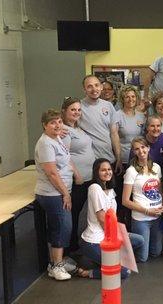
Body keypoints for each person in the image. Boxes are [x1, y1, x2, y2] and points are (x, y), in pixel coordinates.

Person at [35, 109, 82, 280]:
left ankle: (57, 261)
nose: (57, 125)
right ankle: (56, 266)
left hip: (60, 191)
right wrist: (65, 194)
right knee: (61, 227)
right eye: (52, 122)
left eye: (59, 121)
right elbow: (52, 173)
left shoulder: (56, 138)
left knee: (62, 226)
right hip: (52, 193)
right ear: (44, 125)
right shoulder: (45, 144)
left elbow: (65, 159)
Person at [77, 158, 144, 279]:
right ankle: (89, 272)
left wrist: (120, 234)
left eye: (109, 169)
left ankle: (104, 260)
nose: (107, 172)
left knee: (139, 240)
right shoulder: (94, 188)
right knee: (124, 272)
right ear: (96, 172)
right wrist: (116, 239)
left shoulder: (111, 190)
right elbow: (102, 219)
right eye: (103, 170)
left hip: (109, 235)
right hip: (94, 241)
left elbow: (114, 217)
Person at [61, 97, 95, 254]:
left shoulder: (78, 128)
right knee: (73, 214)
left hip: (89, 177)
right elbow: (64, 156)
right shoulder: (65, 131)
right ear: (64, 111)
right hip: (78, 180)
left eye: (79, 110)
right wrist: (76, 174)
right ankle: (69, 247)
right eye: (72, 109)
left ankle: (77, 243)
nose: (76, 112)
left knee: (81, 212)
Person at [122, 137, 163, 263]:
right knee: (142, 258)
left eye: (143, 147)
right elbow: (125, 201)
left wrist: (161, 206)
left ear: (148, 148)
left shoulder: (156, 167)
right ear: (133, 152)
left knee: (156, 253)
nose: (141, 151)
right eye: (136, 149)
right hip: (142, 218)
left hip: (157, 216)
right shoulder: (131, 171)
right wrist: (147, 211)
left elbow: (159, 190)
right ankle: (122, 246)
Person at [79, 75, 121, 173]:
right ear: (84, 89)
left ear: (101, 87)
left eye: (96, 85)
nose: (94, 89)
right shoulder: (79, 107)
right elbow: (67, 123)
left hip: (109, 160)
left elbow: (114, 134)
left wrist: (118, 157)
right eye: (89, 86)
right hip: (91, 163)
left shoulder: (108, 106)